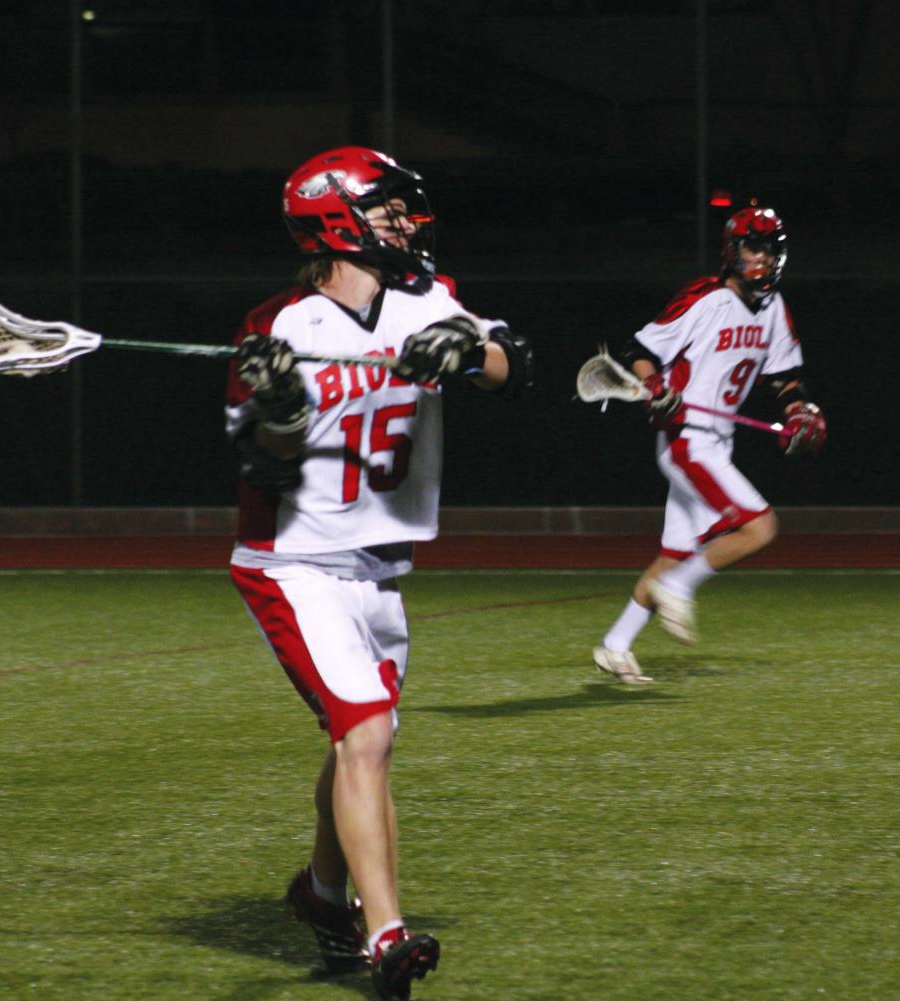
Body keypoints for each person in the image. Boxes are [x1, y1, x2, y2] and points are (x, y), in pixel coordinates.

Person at [226, 146, 531, 999]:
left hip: (377, 570)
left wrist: (466, 354)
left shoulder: (426, 299)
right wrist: (279, 410)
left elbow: (516, 364)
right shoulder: (275, 329)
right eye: (388, 208)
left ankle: (322, 897)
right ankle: (384, 931)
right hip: (293, 563)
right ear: (336, 219)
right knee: (367, 735)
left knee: (357, 741)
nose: (406, 221)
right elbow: (264, 468)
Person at [592, 206, 827, 685]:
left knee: (676, 552)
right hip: (687, 438)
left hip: (718, 441)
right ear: (733, 251)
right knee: (760, 527)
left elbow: (784, 378)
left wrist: (798, 410)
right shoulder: (705, 297)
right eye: (752, 247)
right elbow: (640, 351)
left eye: (769, 249)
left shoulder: (775, 308)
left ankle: (615, 645)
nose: (761, 258)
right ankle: (678, 590)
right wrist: (655, 388)